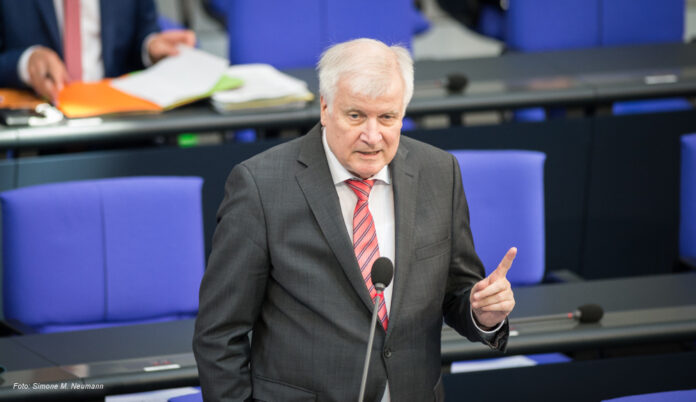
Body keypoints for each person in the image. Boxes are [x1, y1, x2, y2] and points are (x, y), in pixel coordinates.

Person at [193, 38, 516, 401]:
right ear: (324, 107)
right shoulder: (261, 187)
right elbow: (219, 334)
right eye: (356, 116)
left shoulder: (440, 173)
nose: (372, 136)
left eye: (387, 117)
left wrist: (482, 312)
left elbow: (457, 292)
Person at [0, 0, 195, 104]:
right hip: (36, 135)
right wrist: (25, 63)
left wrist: (150, 48)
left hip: (117, 127)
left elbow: (142, 33)